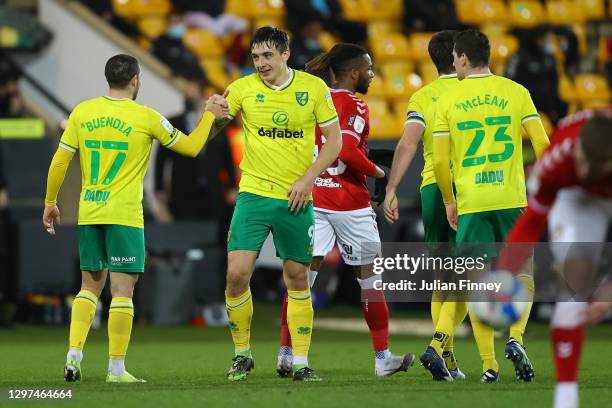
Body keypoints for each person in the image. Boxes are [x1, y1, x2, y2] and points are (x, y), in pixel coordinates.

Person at [42, 54, 227, 383]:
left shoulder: (82, 112)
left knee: (88, 286)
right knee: (123, 290)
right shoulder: (147, 117)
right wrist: (209, 117)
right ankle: (116, 369)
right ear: (135, 80)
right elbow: (191, 148)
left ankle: (73, 357)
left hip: (90, 211)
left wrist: (50, 202)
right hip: (124, 215)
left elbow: (60, 160)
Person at [206, 26, 342, 382]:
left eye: (267, 55)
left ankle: (300, 362)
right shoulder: (242, 88)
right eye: (255, 57)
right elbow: (215, 129)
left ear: (285, 54)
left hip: (296, 197)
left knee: (298, 278)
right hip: (253, 193)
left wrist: (309, 177)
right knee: (236, 275)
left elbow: (335, 141)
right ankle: (242, 354)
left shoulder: (313, 89)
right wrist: (211, 114)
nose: (260, 63)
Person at [276, 43, 415, 378]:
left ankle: (285, 353)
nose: (371, 74)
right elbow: (348, 152)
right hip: (350, 204)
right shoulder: (354, 103)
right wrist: (380, 173)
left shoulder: (312, 98)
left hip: (313, 199)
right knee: (370, 280)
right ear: (354, 72)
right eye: (367, 69)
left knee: (301, 282)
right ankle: (382, 358)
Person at [431, 29, 550, 383]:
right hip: (511, 198)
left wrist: (449, 201)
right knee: (524, 273)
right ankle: (516, 338)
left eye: (454, 57)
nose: (454, 62)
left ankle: (489, 365)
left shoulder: (448, 99)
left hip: (472, 202)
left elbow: (439, 163)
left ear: (463, 58)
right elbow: (543, 144)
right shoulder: (516, 92)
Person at [497, 108, 612, 408]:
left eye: (591, 164)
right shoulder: (562, 159)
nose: (583, 167)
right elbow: (530, 223)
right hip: (576, 197)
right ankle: (566, 399)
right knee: (573, 285)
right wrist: (504, 275)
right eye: (581, 158)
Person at [383, 30, 467, 382]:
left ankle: (447, 356)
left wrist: (391, 187)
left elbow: (407, 144)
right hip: (471, 187)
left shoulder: (423, 96)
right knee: (470, 274)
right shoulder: (478, 90)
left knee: (443, 275)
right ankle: (440, 345)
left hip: (432, 187)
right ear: (456, 55)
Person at [505, 27, 567, 124]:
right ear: (538, 39)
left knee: (563, 106)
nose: (548, 42)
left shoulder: (549, 57)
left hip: (545, 102)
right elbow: (509, 80)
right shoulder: (519, 57)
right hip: (526, 100)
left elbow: (554, 82)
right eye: (546, 39)